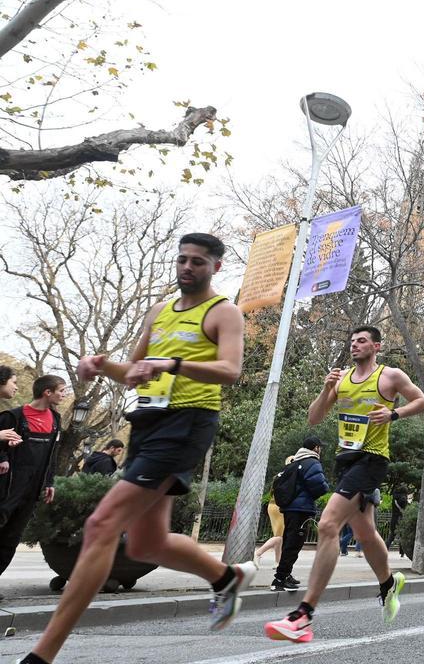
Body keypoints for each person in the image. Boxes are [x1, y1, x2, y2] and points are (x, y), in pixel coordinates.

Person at [19, 233, 250, 664]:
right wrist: (102, 365)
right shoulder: (159, 311)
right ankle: (225, 578)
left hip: (187, 422)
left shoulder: (224, 312)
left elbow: (230, 370)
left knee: (101, 525)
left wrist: (175, 364)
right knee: (146, 545)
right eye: (182, 259)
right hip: (147, 420)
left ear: (215, 267)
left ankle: (42, 655)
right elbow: (133, 373)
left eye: (197, 262)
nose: (186, 267)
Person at [265, 325, 424, 643]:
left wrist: (394, 414)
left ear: (376, 346)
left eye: (362, 341)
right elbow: (314, 418)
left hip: (372, 459)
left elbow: (421, 400)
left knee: (328, 525)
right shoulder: (340, 380)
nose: (355, 345)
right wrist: (327, 390)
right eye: (352, 341)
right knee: (366, 533)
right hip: (346, 460)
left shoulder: (389, 376)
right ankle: (388, 584)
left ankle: (303, 616)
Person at [0, 375, 63, 580]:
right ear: (48, 392)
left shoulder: (56, 420)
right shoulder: (13, 416)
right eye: (61, 390)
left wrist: (49, 482)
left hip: (33, 490)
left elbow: (53, 454)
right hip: (7, 488)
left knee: (11, 539)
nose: (64, 395)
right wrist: (3, 457)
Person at [270, 438, 329, 592]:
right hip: (301, 509)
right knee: (294, 544)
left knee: (290, 541)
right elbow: (319, 485)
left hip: (290, 508)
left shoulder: (295, 461)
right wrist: (325, 487)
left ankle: (286, 573)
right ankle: (279, 579)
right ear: (316, 448)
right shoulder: (312, 462)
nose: (320, 450)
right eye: (320, 447)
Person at [254, 496, 285, 569]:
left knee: (279, 536)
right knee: (280, 536)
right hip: (280, 507)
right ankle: (258, 553)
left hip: (273, 505)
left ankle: (278, 562)